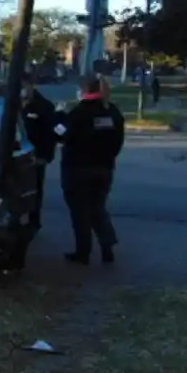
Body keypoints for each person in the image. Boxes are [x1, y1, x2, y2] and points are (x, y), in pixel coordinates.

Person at [56, 74, 125, 265]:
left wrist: (59, 116)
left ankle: (83, 252)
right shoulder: (112, 112)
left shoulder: (79, 112)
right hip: (104, 169)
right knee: (98, 208)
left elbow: (60, 133)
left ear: (85, 90)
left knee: (80, 212)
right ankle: (107, 245)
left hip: (77, 170)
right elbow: (118, 141)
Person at [20, 72, 58, 229]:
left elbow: (51, 134)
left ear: (30, 85)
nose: (21, 90)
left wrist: (45, 156)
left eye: (23, 86)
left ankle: (34, 220)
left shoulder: (44, 106)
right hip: (12, 155)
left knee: (34, 189)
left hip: (35, 157)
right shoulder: (10, 104)